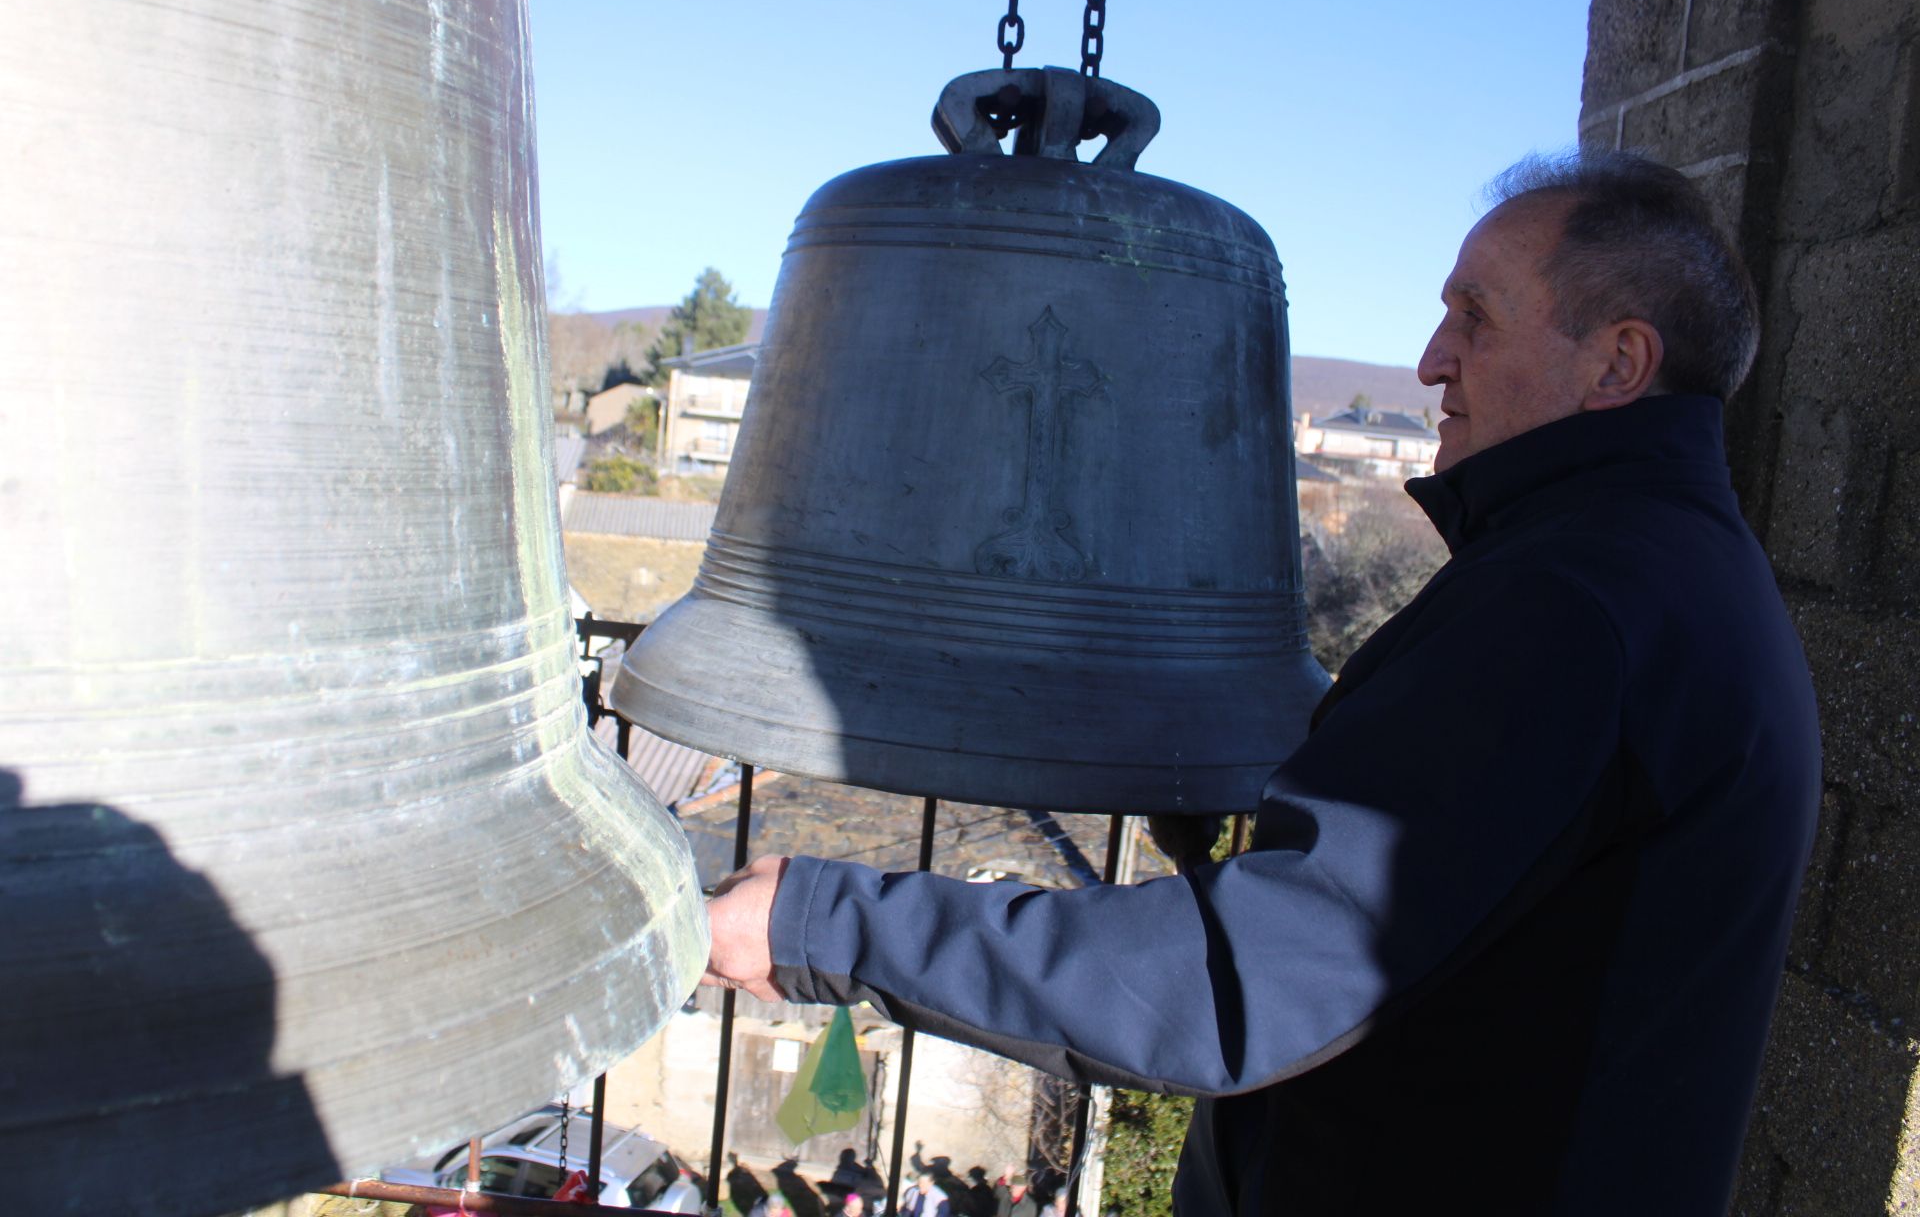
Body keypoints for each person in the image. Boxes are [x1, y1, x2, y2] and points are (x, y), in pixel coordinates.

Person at [704, 151, 1822, 1213]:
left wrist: (826, 920)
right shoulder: (1664, 576)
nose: (1433, 360)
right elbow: (1482, 916)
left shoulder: (1574, 609)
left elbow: (1251, 977)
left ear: (1616, 363)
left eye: (1475, 318)